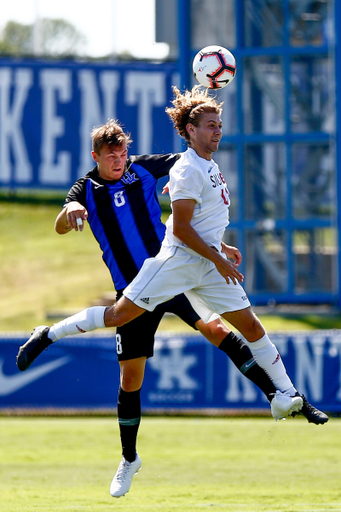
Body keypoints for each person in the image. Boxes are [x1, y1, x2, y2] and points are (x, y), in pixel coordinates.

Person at [16, 113, 328, 496]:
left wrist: (214, 240)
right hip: (134, 286)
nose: (119, 160)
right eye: (110, 154)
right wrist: (70, 213)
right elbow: (61, 224)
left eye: (122, 152)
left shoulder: (143, 168)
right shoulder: (84, 189)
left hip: (177, 273)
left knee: (217, 329)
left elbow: (187, 164)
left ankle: (284, 397)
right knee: (131, 379)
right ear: (95, 155)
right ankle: (129, 458)